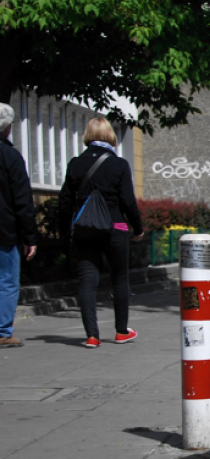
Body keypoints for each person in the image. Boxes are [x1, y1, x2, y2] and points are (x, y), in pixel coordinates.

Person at [59, 117, 143, 348]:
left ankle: (92, 336)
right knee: (120, 278)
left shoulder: (76, 163)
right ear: (109, 136)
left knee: (87, 279)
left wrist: (64, 231)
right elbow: (127, 200)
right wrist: (138, 227)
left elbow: (65, 201)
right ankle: (121, 331)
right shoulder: (119, 164)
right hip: (115, 228)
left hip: (84, 229)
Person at [0, 102, 37, 349]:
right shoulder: (11, 156)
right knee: (6, 281)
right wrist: (30, 236)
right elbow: (22, 201)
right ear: (7, 127)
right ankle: (2, 331)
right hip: (4, 231)